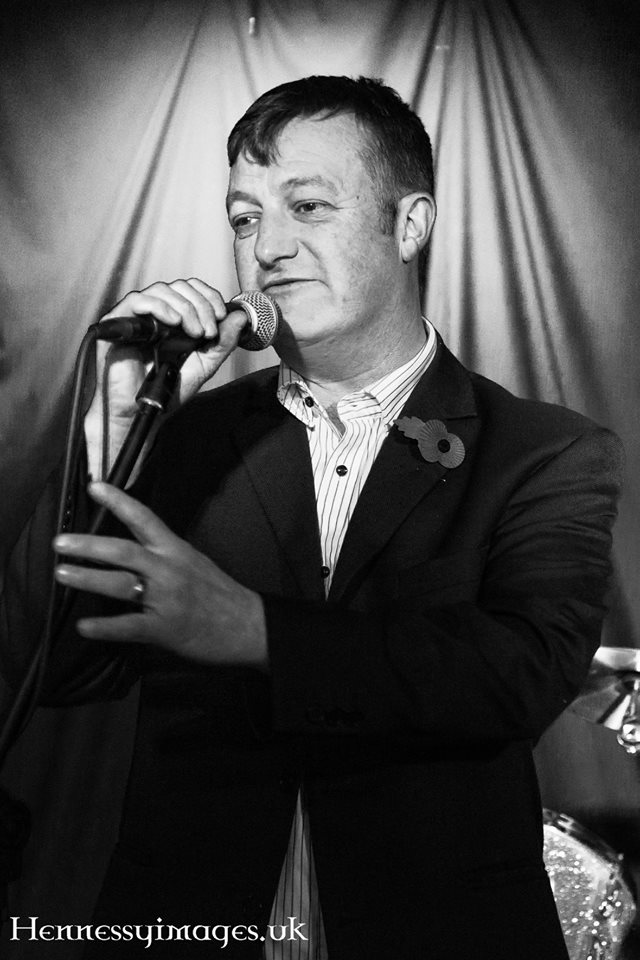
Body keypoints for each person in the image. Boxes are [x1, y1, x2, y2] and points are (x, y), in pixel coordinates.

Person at [0, 76, 624, 959]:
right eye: (245, 218)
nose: (268, 248)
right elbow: (44, 665)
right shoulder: (183, 433)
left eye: (309, 207)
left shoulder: (543, 451)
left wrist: (254, 632)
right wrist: (110, 428)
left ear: (410, 225)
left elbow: (517, 673)